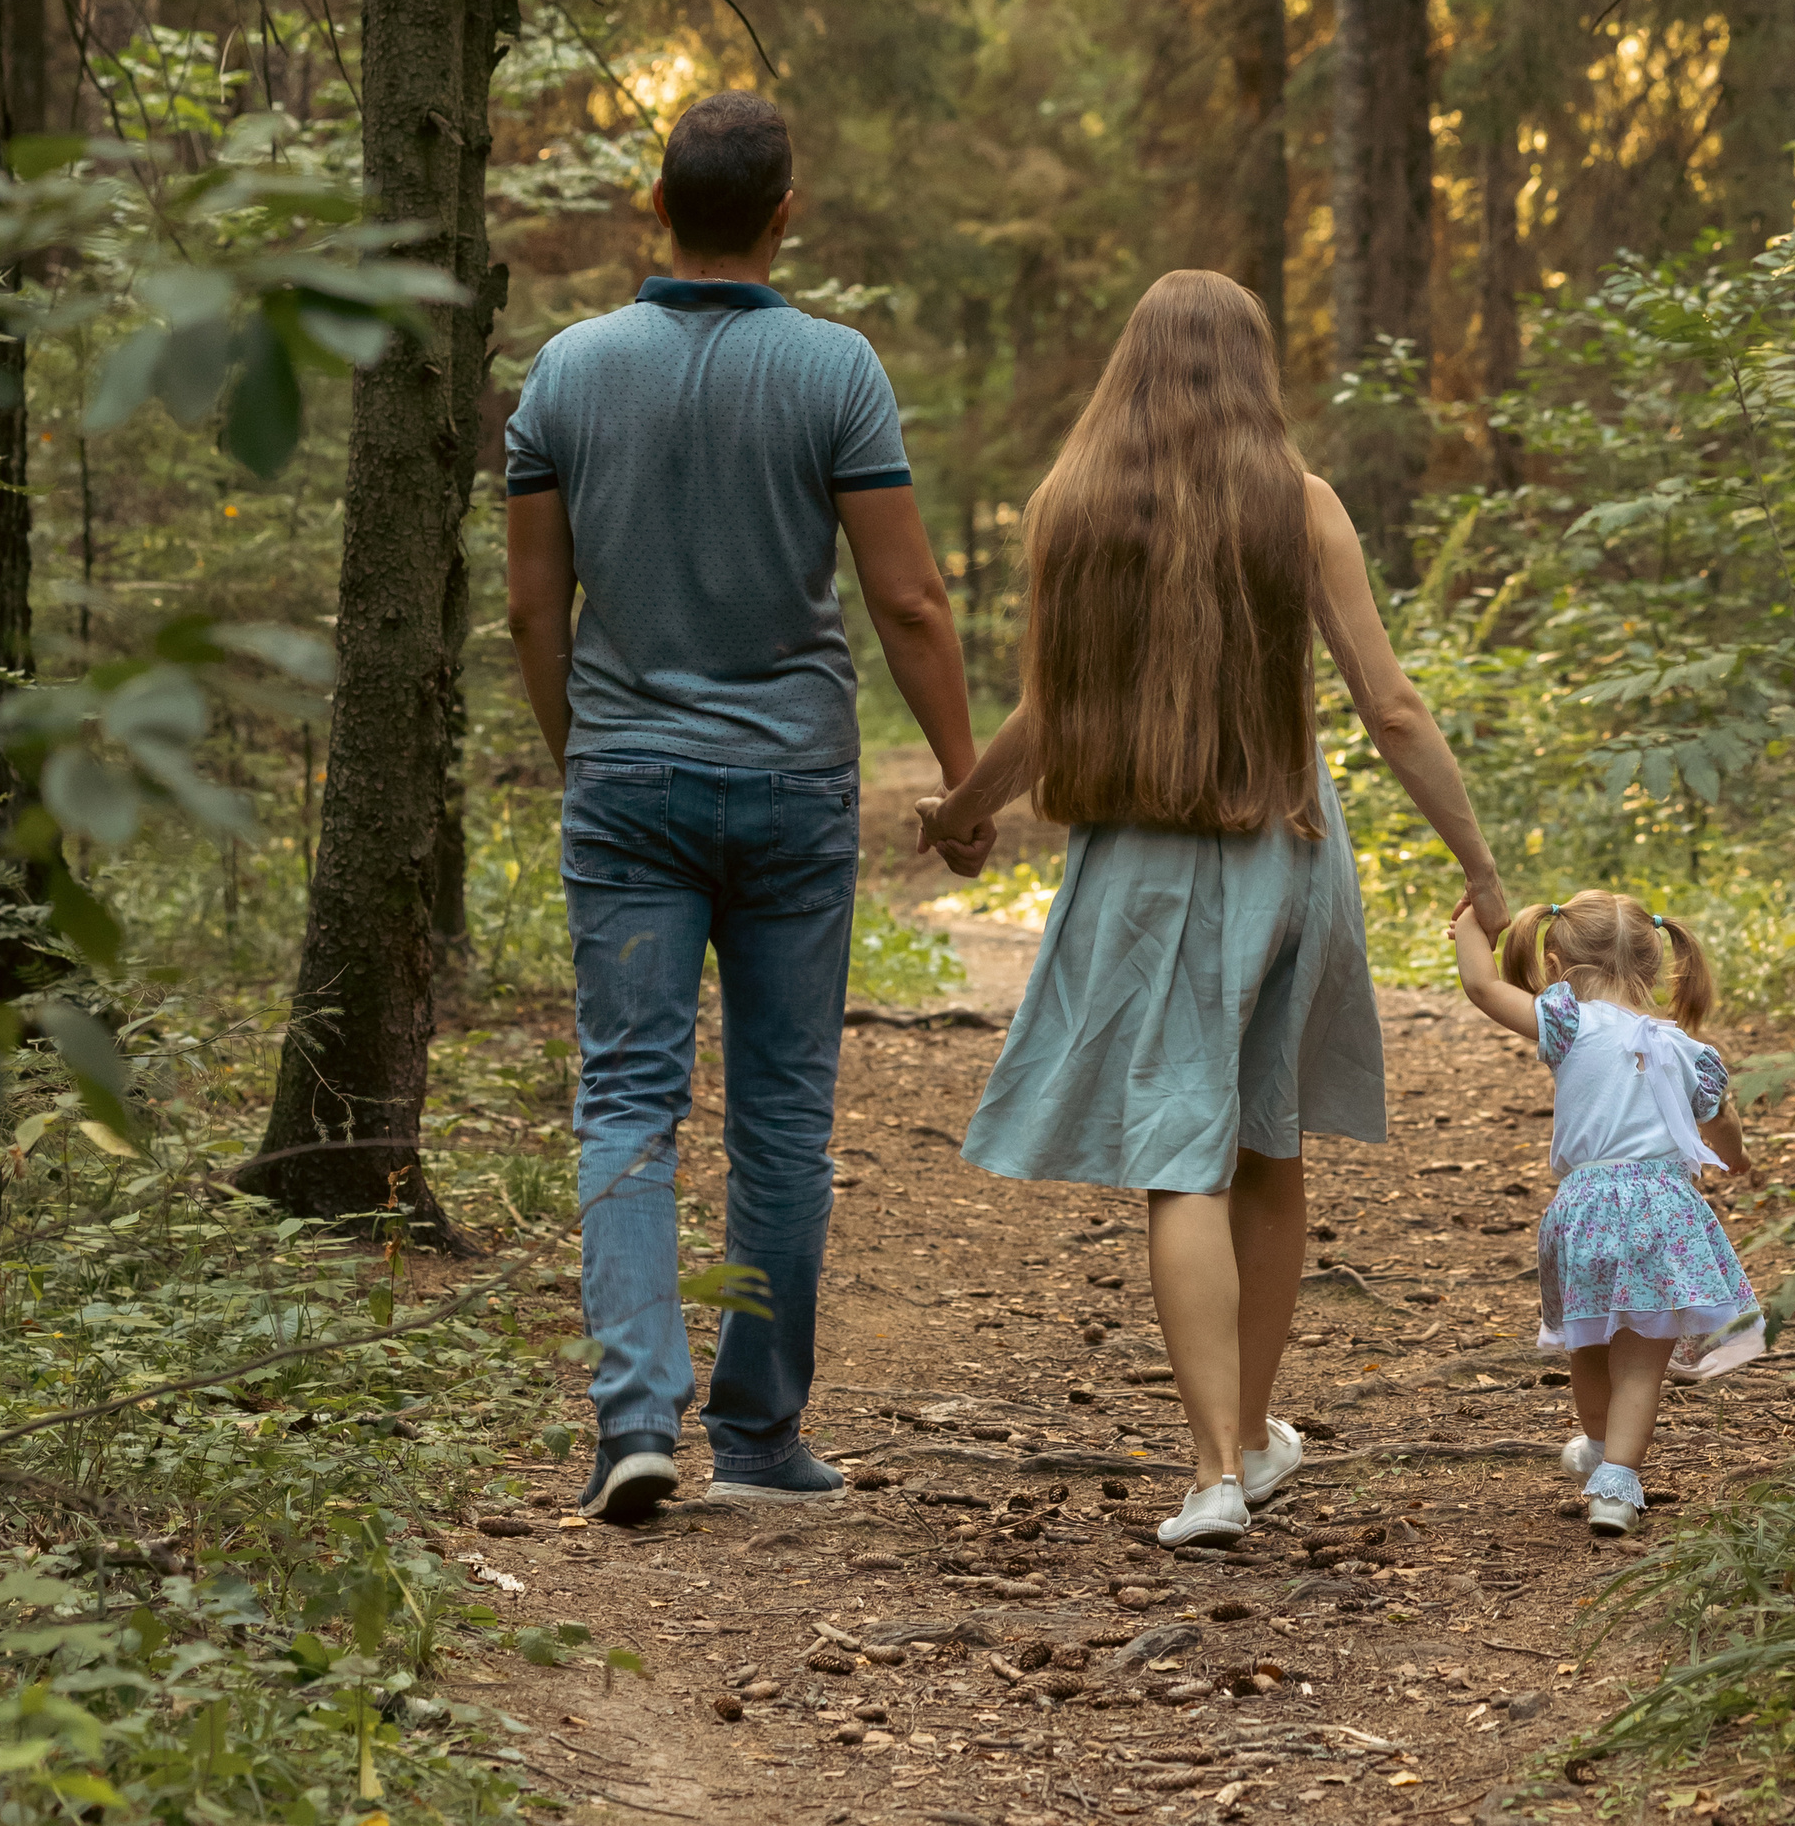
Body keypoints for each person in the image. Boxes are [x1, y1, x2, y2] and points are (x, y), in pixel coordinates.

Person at [913, 270, 1510, 1548]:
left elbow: (1050, 711)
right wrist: (1480, 866)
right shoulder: (1296, 507)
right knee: (1260, 1145)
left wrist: (968, 807)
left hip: (1136, 867)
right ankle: (1242, 1437)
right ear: (1253, 370)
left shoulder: (1071, 511)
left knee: (1175, 1158)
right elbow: (1389, 706)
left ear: (1131, 366)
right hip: (1281, 856)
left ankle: (1213, 1472)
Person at [504, 93, 992, 1524]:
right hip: (788, 785)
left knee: (628, 1099)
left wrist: (580, 745)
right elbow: (907, 593)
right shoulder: (833, 368)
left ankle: (631, 1422)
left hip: (626, 784)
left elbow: (536, 602)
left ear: (655, 206)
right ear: (785, 211)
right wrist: (963, 781)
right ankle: (762, 1430)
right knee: (783, 1114)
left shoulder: (567, 369)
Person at [1448, 889, 1763, 1536]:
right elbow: (1724, 1132)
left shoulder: (1566, 1023)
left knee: (1588, 1346)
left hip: (1585, 1212)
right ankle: (1618, 1484)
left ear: (1558, 964)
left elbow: (1481, 987)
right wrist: (1738, 1160)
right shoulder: (1692, 1055)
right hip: (1663, 1215)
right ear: (1655, 968)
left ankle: (1598, 1451)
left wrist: (1467, 926)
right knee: (1643, 1363)